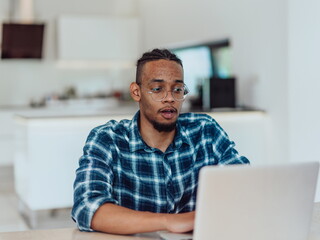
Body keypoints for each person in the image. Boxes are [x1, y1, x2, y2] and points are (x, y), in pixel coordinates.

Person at [71, 48, 249, 234]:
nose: (170, 98)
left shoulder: (206, 131)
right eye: (157, 89)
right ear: (136, 92)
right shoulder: (107, 139)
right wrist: (170, 222)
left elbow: (245, 186)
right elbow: (88, 208)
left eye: (177, 89)